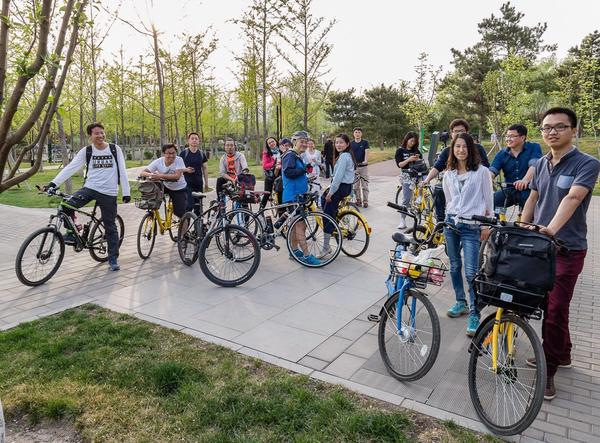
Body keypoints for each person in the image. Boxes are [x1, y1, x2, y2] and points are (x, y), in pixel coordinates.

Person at [521, 107, 600, 401]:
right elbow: (534, 196)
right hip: (540, 246)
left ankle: (549, 370)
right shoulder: (541, 163)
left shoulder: (587, 163)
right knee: (551, 306)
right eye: (546, 128)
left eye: (559, 126)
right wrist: (525, 227)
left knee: (554, 311)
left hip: (568, 248)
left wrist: (550, 230)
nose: (551, 132)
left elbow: (574, 197)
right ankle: (563, 353)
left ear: (573, 131)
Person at [45, 122, 130, 271]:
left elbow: (122, 170)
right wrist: (53, 183)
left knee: (110, 226)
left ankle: (113, 258)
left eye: (102, 133)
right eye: (96, 133)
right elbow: (71, 167)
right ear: (90, 135)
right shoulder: (87, 151)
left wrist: (126, 192)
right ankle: (71, 233)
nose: (100, 135)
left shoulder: (114, 149)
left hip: (109, 192)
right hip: (90, 188)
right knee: (66, 206)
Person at [443, 133, 493, 337]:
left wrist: (485, 225)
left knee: (472, 272)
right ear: (452, 150)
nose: (461, 150)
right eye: (457, 147)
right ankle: (460, 302)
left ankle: (475, 312)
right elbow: (449, 200)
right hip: (451, 225)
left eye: (464, 147)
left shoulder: (482, 172)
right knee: (454, 265)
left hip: (472, 227)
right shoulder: (448, 174)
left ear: (471, 149)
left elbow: (488, 200)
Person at [422, 119, 490, 222]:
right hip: (455, 182)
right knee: (439, 189)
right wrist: (426, 180)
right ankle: (441, 221)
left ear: (467, 133)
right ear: (451, 134)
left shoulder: (478, 148)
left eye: (462, 131)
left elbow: (486, 168)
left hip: (473, 182)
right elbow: (437, 167)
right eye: (456, 131)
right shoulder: (447, 151)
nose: (459, 134)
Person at [281, 130, 320, 265]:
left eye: (306, 142)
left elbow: (295, 173)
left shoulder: (296, 156)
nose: (304, 144)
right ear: (294, 142)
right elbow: (288, 172)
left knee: (295, 225)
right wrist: (303, 170)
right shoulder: (290, 155)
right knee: (300, 226)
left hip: (297, 195)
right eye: (301, 141)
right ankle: (306, 255)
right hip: (293, 196)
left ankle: (294, 250)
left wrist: (306, 174)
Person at [489, 124, 542, 212]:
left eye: (512, 136)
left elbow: (534, 165)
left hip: (529, 189)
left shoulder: (534, 147)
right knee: (492, 203)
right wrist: (489, 178)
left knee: (532, 208)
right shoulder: (501, 153)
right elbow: (493, 169)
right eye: (507, 136)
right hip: (509, 190)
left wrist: (525, 180)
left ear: (522, 138)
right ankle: (498, 222)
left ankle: (528, 224)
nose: (508, 139)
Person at [321, 133, 356, 257]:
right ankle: (333, 227)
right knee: (323, 200)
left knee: (326, 215)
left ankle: (326, 247)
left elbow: (338, 178)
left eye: (341, 142)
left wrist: (330, 192)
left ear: (347, 144)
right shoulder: (348, 155)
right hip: (346, 188)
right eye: (336, 142)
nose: (338, 145)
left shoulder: (344, 157)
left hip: (340, 188)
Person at [140, 143, 188, 219]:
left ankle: (184, 230)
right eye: (168, 153)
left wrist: (159, 176)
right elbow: (143, 172)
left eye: (173, 153)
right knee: (152, 195)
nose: (171, 155)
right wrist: (152, 175)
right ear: (163, 154)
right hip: (165, 186)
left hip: (178, 188)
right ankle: (152, 216)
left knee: (180, 213)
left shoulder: (179, 160)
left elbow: (176, 176)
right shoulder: (158, 162)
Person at [394, 131, 422, 229]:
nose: (412, 143)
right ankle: (402, 220)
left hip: (416, 174)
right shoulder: (400, 150)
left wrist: (417, 160)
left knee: (425, 184)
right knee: (406, 199)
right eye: (411, 140)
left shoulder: (417, 151)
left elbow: (421, 163)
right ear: (407, 139)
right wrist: (409, 159)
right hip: (406, 175)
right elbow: (399, 165)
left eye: (414, 141)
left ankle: (420, 198)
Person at [180, 132, 209, 213]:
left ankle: (198, 225)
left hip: (198, 184)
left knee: (198, 208)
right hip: (187, 184)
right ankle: (185, 224)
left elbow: (205, 168)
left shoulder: (201, 154)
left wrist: (206, 183)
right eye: (192, 138)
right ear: (188, 141)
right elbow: (177, 168)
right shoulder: (183, 154)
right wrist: (186, 170)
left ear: (199, 141)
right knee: (189, 206)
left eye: (196, 139)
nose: (194, 140)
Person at [350, 127, 370, 207]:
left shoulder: (365, 142)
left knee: (364, 185)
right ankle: (358, 200)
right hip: (355, 167)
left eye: (359, 132)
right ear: (353, 134)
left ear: (361, 134)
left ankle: (365, 201)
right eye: (356, 132)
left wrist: (365, 160)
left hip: (363, 167)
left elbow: (367, 151)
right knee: (355, 185)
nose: (357, 134)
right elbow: (350, 154)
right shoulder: (351, 144)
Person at [261, 137, 279, 209]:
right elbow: (265, 165)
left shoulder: (281, 151)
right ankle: (261, 210)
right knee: (267, 194)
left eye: (272, 141)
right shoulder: (266, 153)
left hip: (279, 175)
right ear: (268, 145)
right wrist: (273, 163)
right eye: (269, 143)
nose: (271, 143)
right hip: (270, 176)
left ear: (276, 141)